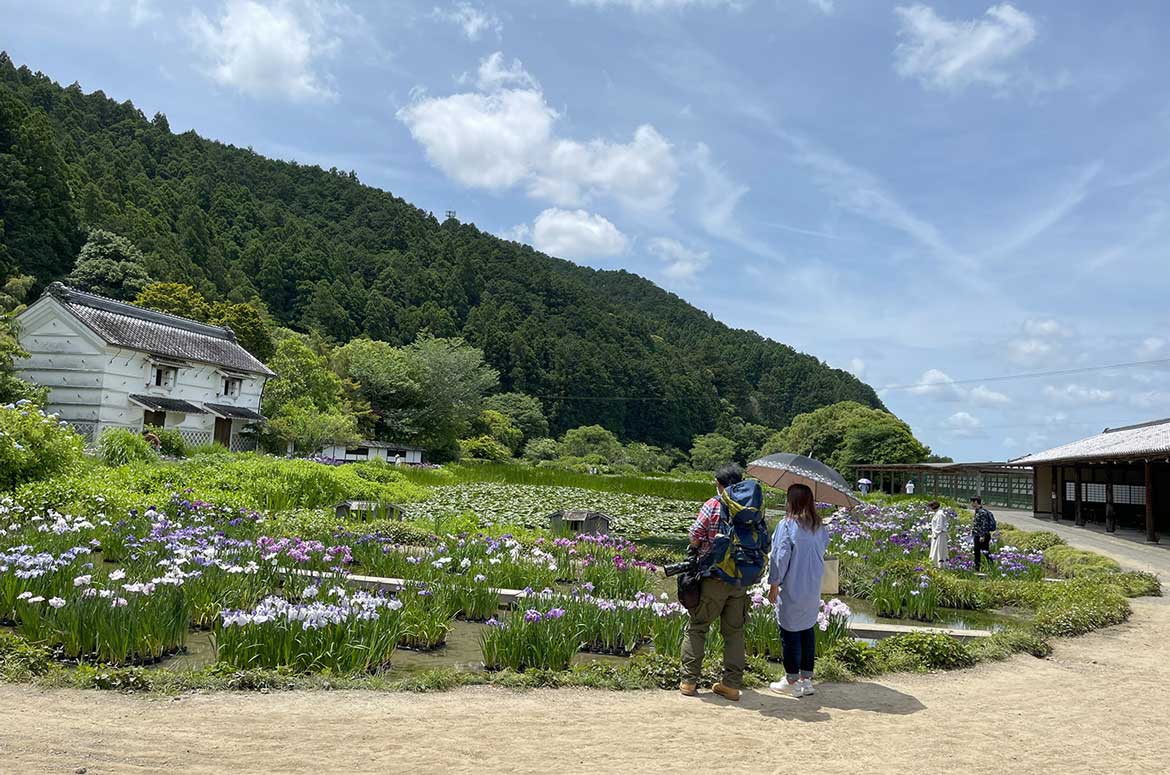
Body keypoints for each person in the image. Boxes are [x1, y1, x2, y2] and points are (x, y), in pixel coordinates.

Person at [680, 464, 751, 702]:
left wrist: (696, 549)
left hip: (713, 578)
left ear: (719, 484)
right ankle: (731, 685)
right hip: (740, 578)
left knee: (698, 626)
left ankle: (689, 681)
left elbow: (695, 535)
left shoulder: (713, 505)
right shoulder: (750, 508)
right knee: (734, 633)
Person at [768, 483, 830, 698]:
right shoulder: (818, 526)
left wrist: (774, 584)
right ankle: (806, 680)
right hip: (812, 586)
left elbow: (780, 557)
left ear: (791, 501)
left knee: (790, 632)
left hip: (793, 585)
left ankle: (791, 681)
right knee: (807, 631)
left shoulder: (787, 525)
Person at [971, 497, 997, 572]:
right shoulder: (977, 511)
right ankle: (977, 568)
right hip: (978, 535)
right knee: (978, 552)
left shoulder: (982, 512)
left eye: (972, 502)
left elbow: (984, 525)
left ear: (976, 502)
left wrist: (982, 536)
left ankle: (990, 568)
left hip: (982, 536)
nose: (971, 504)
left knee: (985, 552)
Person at [928, 501, 950, 566]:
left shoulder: (940, 514)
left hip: (939, 535)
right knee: (936, 549)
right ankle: (935, 563)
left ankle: (939, 564)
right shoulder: (938, 513)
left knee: (939, 549)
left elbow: (939, 526)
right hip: (937, 534)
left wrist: (935, 534)